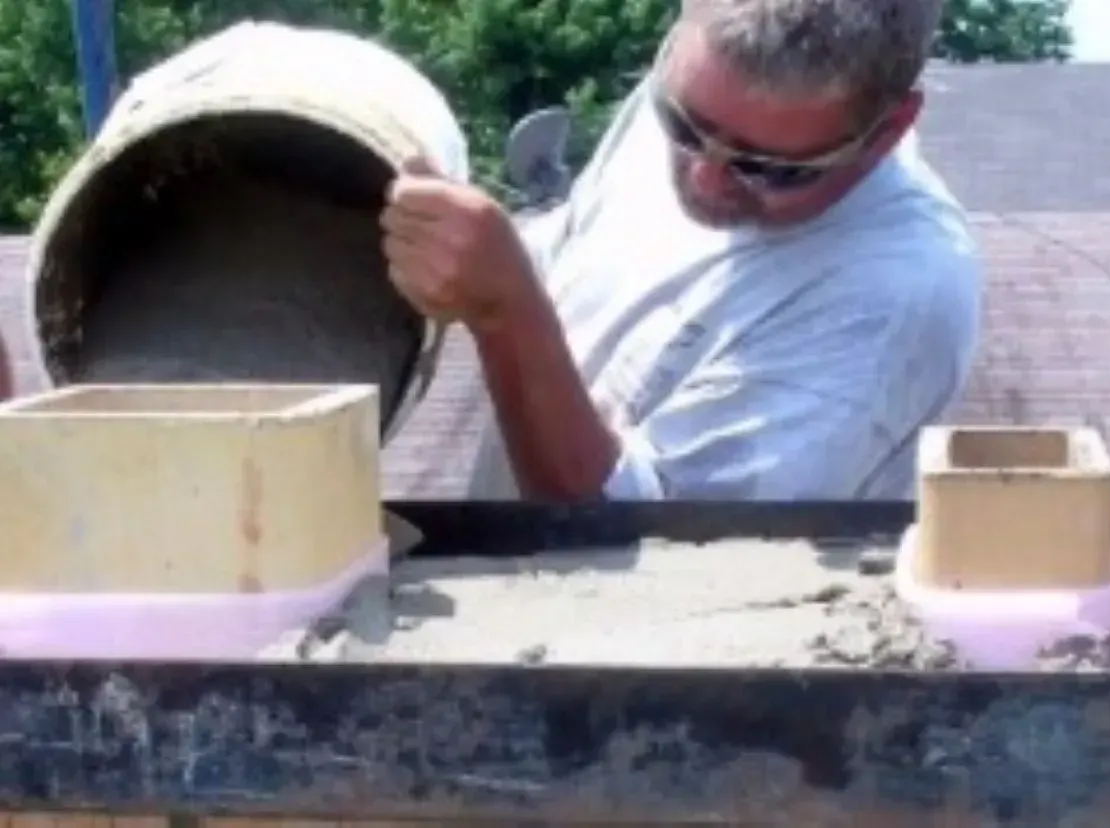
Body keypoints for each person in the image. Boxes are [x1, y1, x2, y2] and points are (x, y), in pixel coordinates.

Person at [378, 0, 981, 501]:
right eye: (684, 125)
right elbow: (578, 253)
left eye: (767, 168)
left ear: (889, 129)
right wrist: (444, 244)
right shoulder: (703, 90)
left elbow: (642, 553)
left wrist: (504, 311)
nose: (704, 178)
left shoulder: (892, 298)